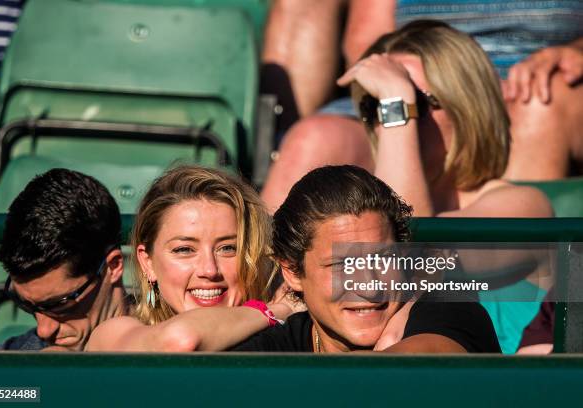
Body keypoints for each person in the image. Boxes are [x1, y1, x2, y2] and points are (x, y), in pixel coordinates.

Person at [260, 1, 583, 210]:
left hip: (527, 82)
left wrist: (399, 109)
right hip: (412, 65)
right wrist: (394, 92)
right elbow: (368, 37)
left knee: (541, 98)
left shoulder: (523, 205)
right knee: (314, 137)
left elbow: (408, 262)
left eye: (417, 104)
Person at [231, 165, 501, 353]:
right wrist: (272, 312)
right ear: (291, 272)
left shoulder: (450, 312)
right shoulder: (278, 345)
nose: (369, 286)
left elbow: (410, 372)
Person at [87, 165, 297, 352]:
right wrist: (276, 311)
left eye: (228, 248)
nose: (209, 270)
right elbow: (180, 341)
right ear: (147, 263)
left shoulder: (292, 338)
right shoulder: (113, 336)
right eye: (184, 250)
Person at [0, 168, 129, 351]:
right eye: (27, 305)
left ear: (113, 266)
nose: (44, 330)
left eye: (60, 304)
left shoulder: (170, 357)